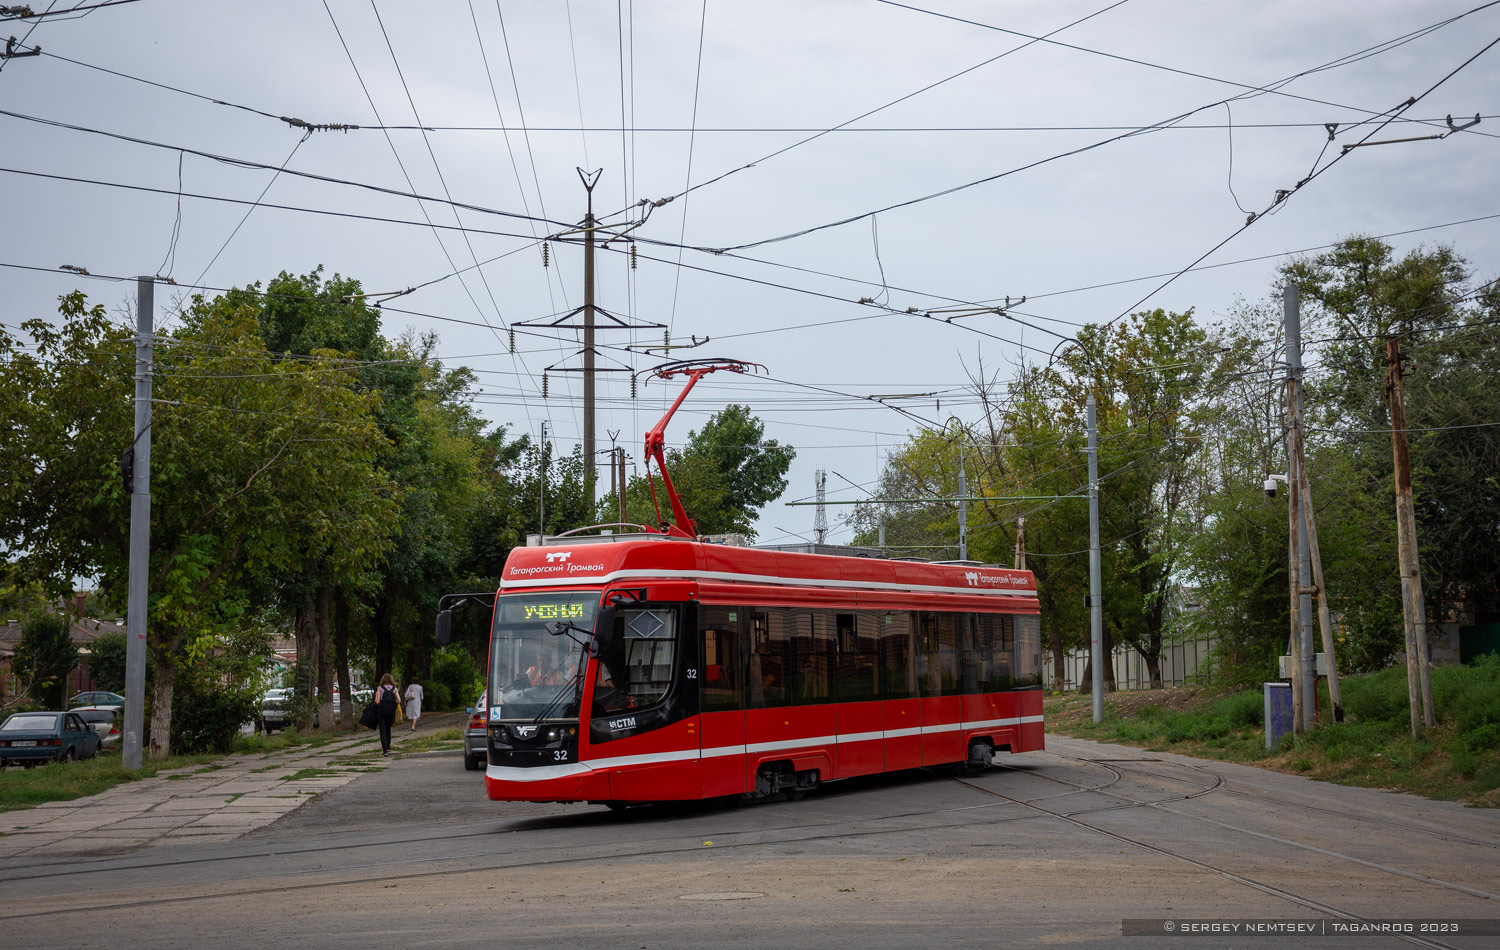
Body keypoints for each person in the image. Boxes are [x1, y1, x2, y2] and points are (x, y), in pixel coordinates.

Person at [374, 673, 401, 756]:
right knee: (388, 728)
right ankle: (388, 746)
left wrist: (376, 697)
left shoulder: (380, 688)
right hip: (390, 712)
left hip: (382, 711)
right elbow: (399, 700)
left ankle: (384, 749)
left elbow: (377, 701)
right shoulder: (394, 688)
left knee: (382, 730)